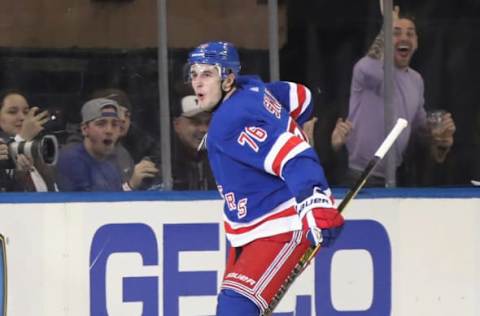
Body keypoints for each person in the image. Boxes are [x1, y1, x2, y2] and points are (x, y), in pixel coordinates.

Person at [185, 41, 344, 315]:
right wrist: (290, 124)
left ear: (228, 79)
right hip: (252, 225)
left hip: (281, 222)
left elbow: (292, 154)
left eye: (207, 74)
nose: (197, 83)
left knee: (236, 308)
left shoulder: (228, 120)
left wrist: (314, 202)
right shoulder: (254, 89)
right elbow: (302, 97)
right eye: (194, 74)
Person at [333, 6, 456, 186]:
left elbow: (418, 126)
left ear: (416, 42)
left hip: (392, 179)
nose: (404, 37)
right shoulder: (370, 71)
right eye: (396, 33)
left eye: (410, 33)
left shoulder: (416, 80)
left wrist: (440, 135)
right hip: (359, 177)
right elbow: (369, 65)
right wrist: (387, 27)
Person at [90, 88, 161, 190]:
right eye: (117, 112)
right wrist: (130, 185)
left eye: (127, 115)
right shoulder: (81, 153)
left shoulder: (134, 147)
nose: (123, 119)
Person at [56, 98, 124, 191]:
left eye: (114, 124)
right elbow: (84, 204)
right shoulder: (72, 159)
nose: (109, 130)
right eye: (101, 124)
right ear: (84, 129)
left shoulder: (111, 167)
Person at [0, 90, 57, 191]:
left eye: (26, 112)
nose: (22, 117)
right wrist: (22, 138)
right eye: (12, 112)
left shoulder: (37, 147)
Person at [172, 95, 216, 190]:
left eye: (208, 123)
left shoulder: (221, 158)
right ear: (177, 125)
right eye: (195, 122)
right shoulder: (164, 160)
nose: (204, 129)